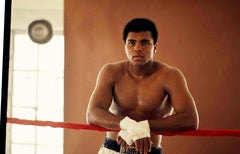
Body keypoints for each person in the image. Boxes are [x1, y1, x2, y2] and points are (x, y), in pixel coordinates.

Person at [86, 18, 199, 154]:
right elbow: (92, 114)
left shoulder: (170, 76)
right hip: (113, 149)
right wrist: (128, 125)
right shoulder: (111, 72)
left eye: (144, 42)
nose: (137, 48)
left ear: (154, 47)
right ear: (125, 46)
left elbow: (190, 119)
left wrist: (144, 126)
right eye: (131, 42)